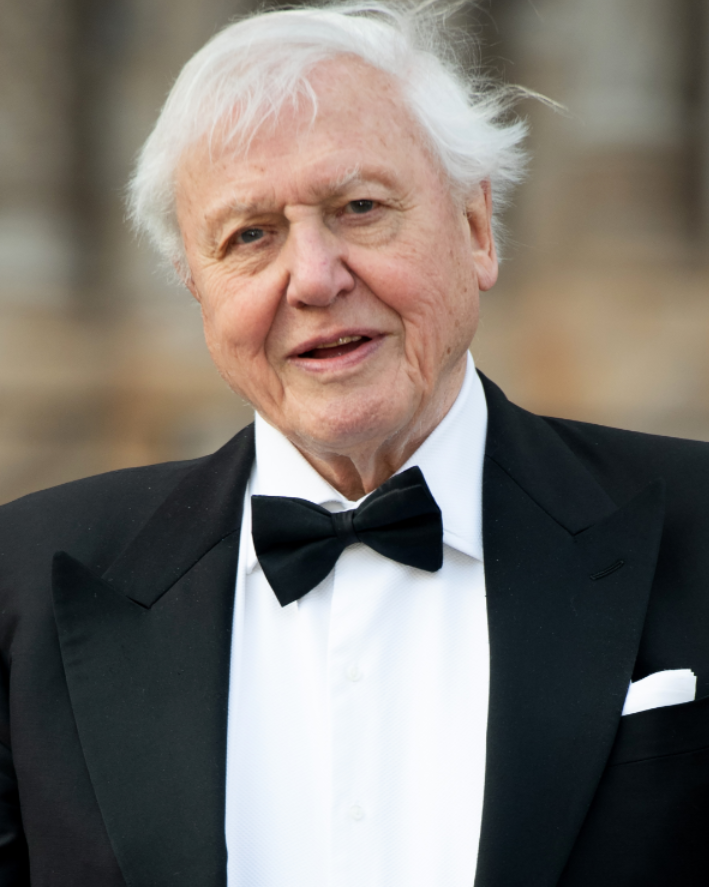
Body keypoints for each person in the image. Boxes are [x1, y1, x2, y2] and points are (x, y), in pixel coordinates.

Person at [1, 3, 709, 886]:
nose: (313, 278)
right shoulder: (22, 582)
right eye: (249, 236)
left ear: (476, 229)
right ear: (196, 288)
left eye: (360, 208)